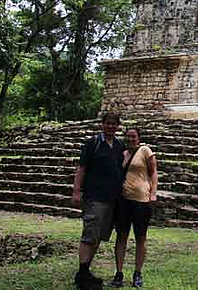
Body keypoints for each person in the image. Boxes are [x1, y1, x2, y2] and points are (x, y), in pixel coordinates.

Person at [72, 112, 125, 290]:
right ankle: (82, 273)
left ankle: (85, 272)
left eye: (114, 124)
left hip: (111, 199)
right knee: (89, 234)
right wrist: (76, 191)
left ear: (118, 126)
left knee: (99, 236)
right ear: (102, 124)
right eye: (108, 123)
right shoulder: (92, 143)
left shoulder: (119, 145)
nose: (111, 127)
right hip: (95, 197)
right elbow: (82, 168)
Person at [110, 127, 158, 288]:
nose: (130, 139)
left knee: (140, 237)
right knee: (121, 236)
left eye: (133, 136)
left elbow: (153, 172)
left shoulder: (145, 151)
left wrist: (153, 194)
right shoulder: (123, 154)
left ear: (138, 138)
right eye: (128, 136)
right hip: (124, 200)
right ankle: (119, 273)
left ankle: (137, 272)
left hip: (141, 200)